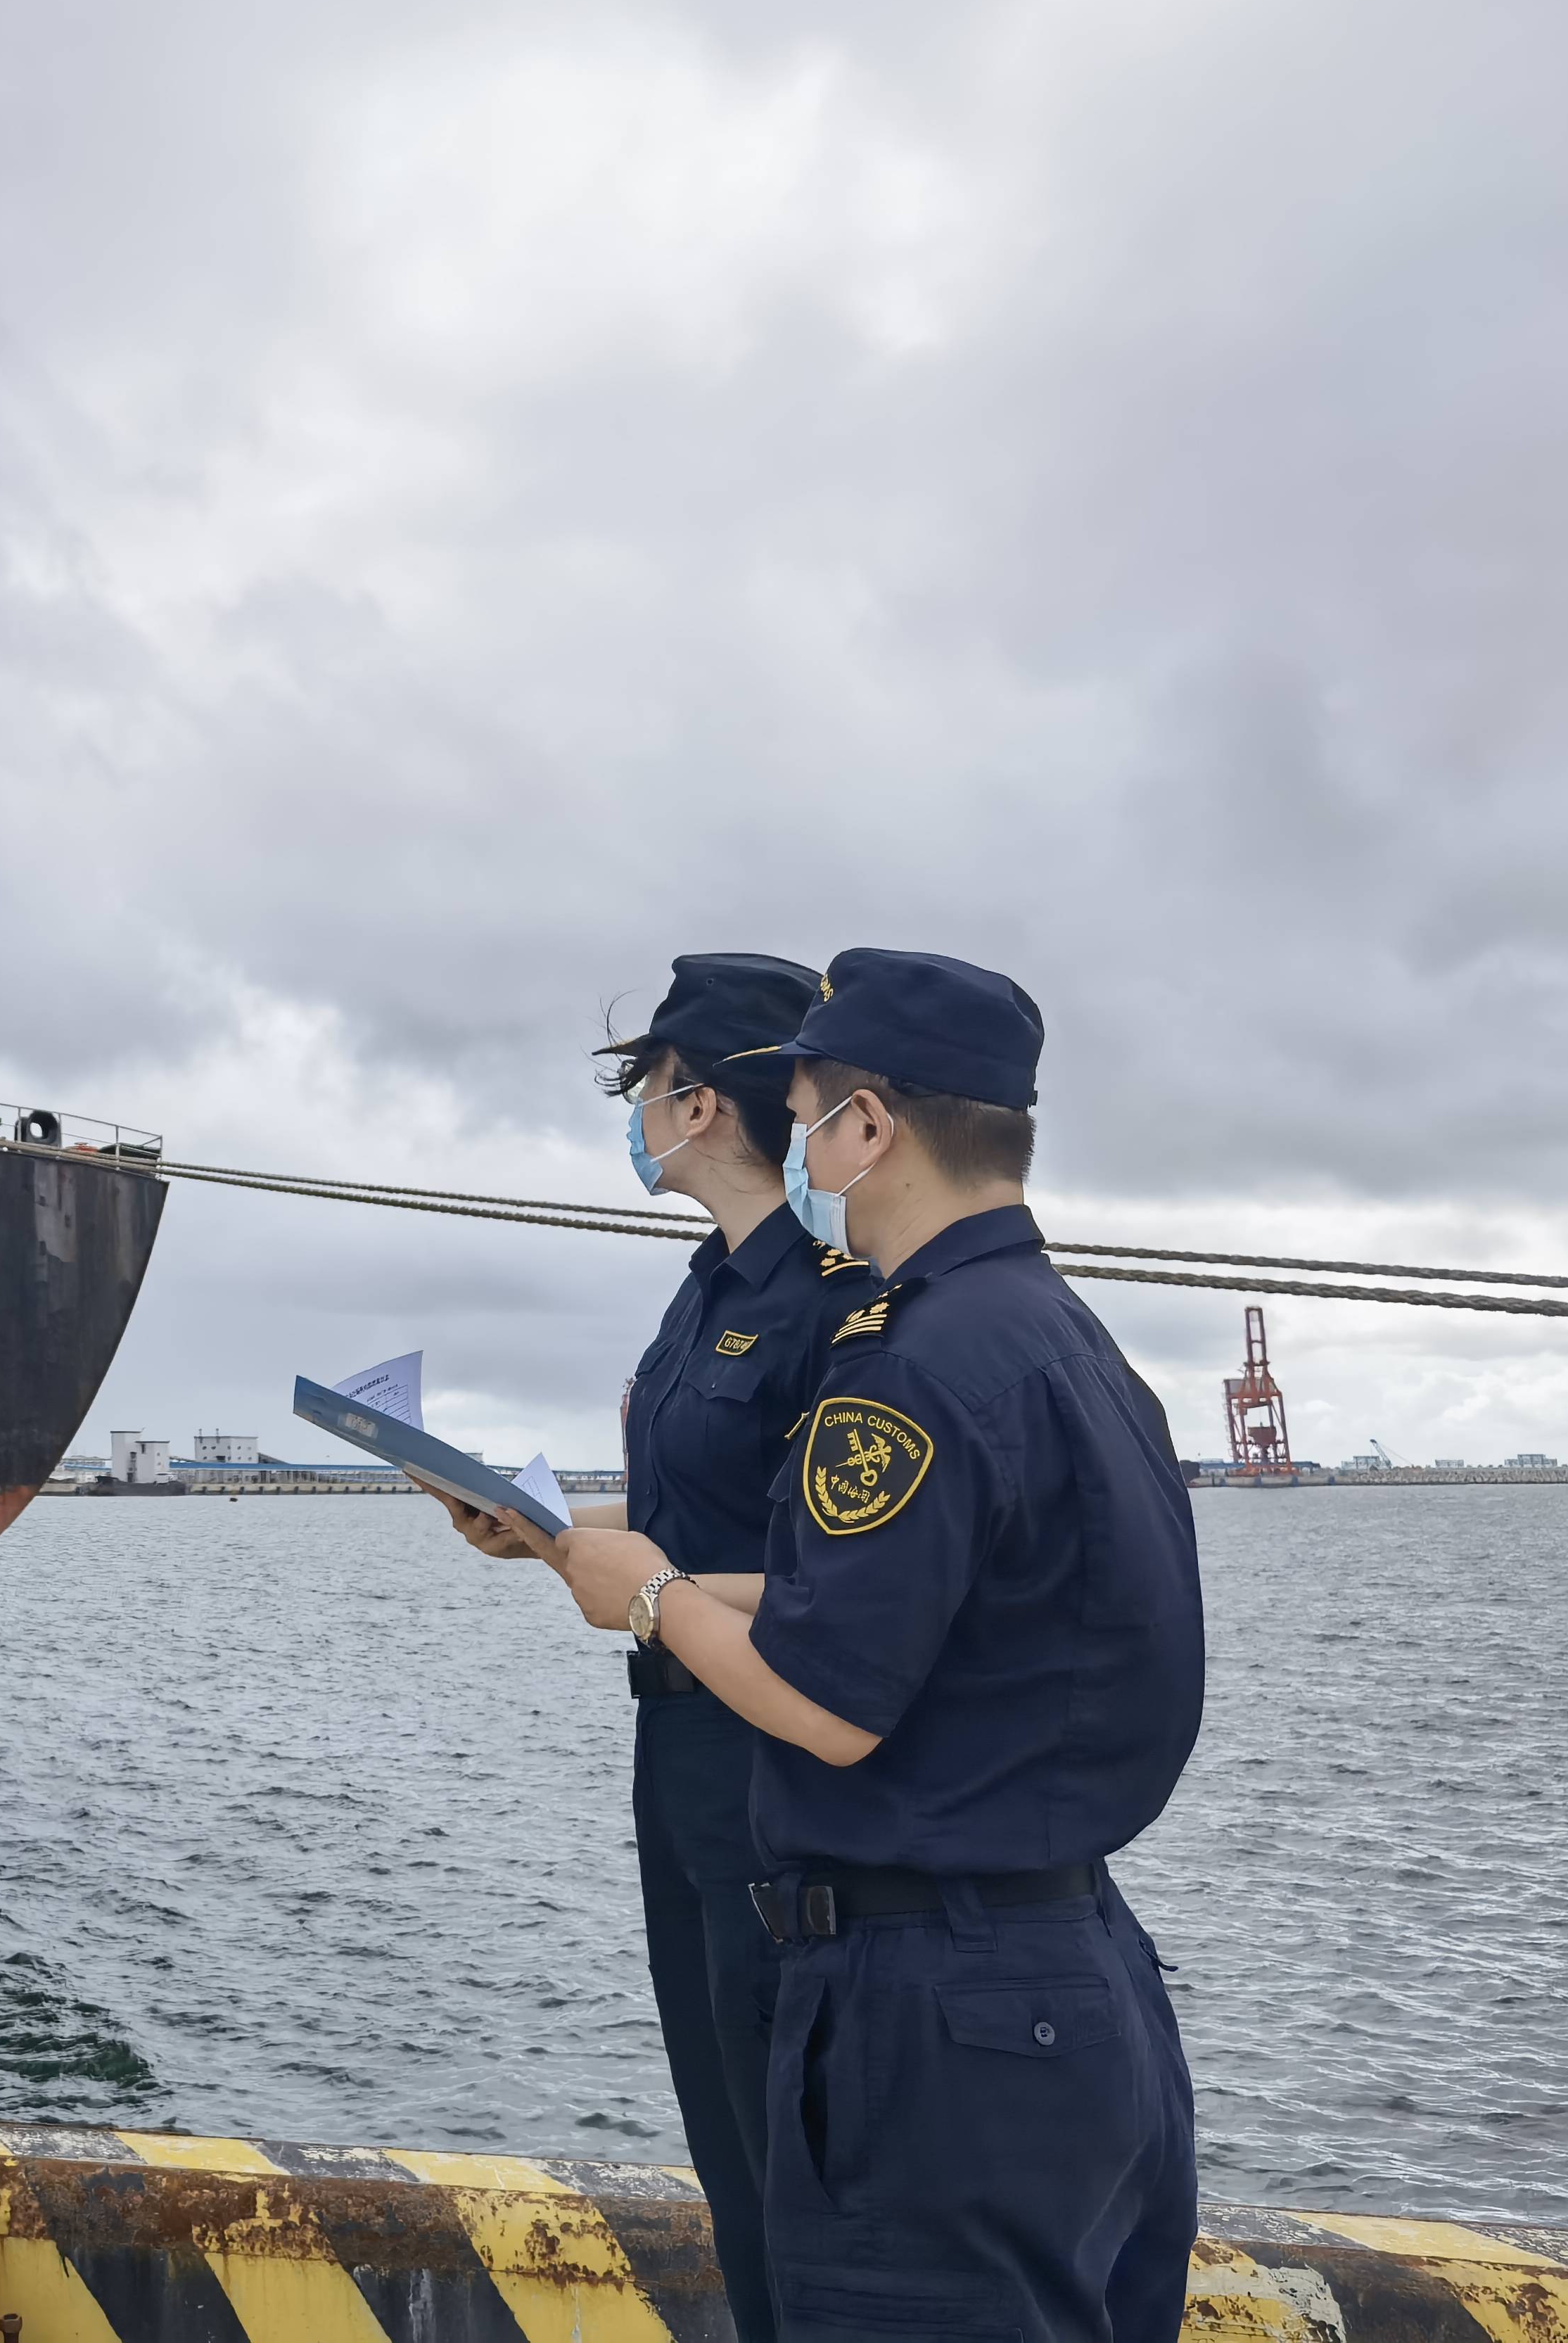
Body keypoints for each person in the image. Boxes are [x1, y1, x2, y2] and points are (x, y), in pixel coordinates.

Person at [519, 948, 1206, 2342]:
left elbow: (835, 1697)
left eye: (816, 1103)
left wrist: (651, 1600)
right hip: (1072, 1967)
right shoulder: (1075, 1348)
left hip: (940, 2016)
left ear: (871, 1127)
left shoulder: (912, 1359)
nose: (806, 1135)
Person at [450, 953, 874, 2343]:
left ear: (701, 1106)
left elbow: (844, 1575)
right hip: (677, 1746)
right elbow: (704, 1508)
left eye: (644, 1086)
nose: (633, 1111)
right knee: (721, 2122)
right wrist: (552, 1532)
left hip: (766, 1752)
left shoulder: (829, 1306)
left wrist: (652, 1587)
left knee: (790, 2132)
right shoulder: (704, 1291)